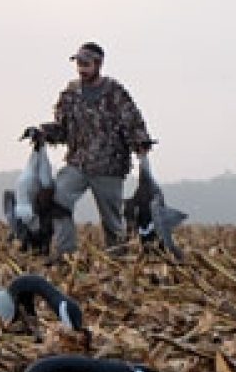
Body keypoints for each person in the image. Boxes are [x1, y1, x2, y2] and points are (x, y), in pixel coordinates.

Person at [33, 42, 154, 257]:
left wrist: (141, 144)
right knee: (58, 200)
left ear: (98, 64)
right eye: (79, 63)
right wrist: (43, 133)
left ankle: (117, 259)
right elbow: (62, 129)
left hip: (109, 167)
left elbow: (133, 123)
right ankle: (65, 254)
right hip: (78, 164)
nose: (81, 68)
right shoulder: (70, 94)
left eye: (86, 64)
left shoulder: (115, 92)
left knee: (112, 220)